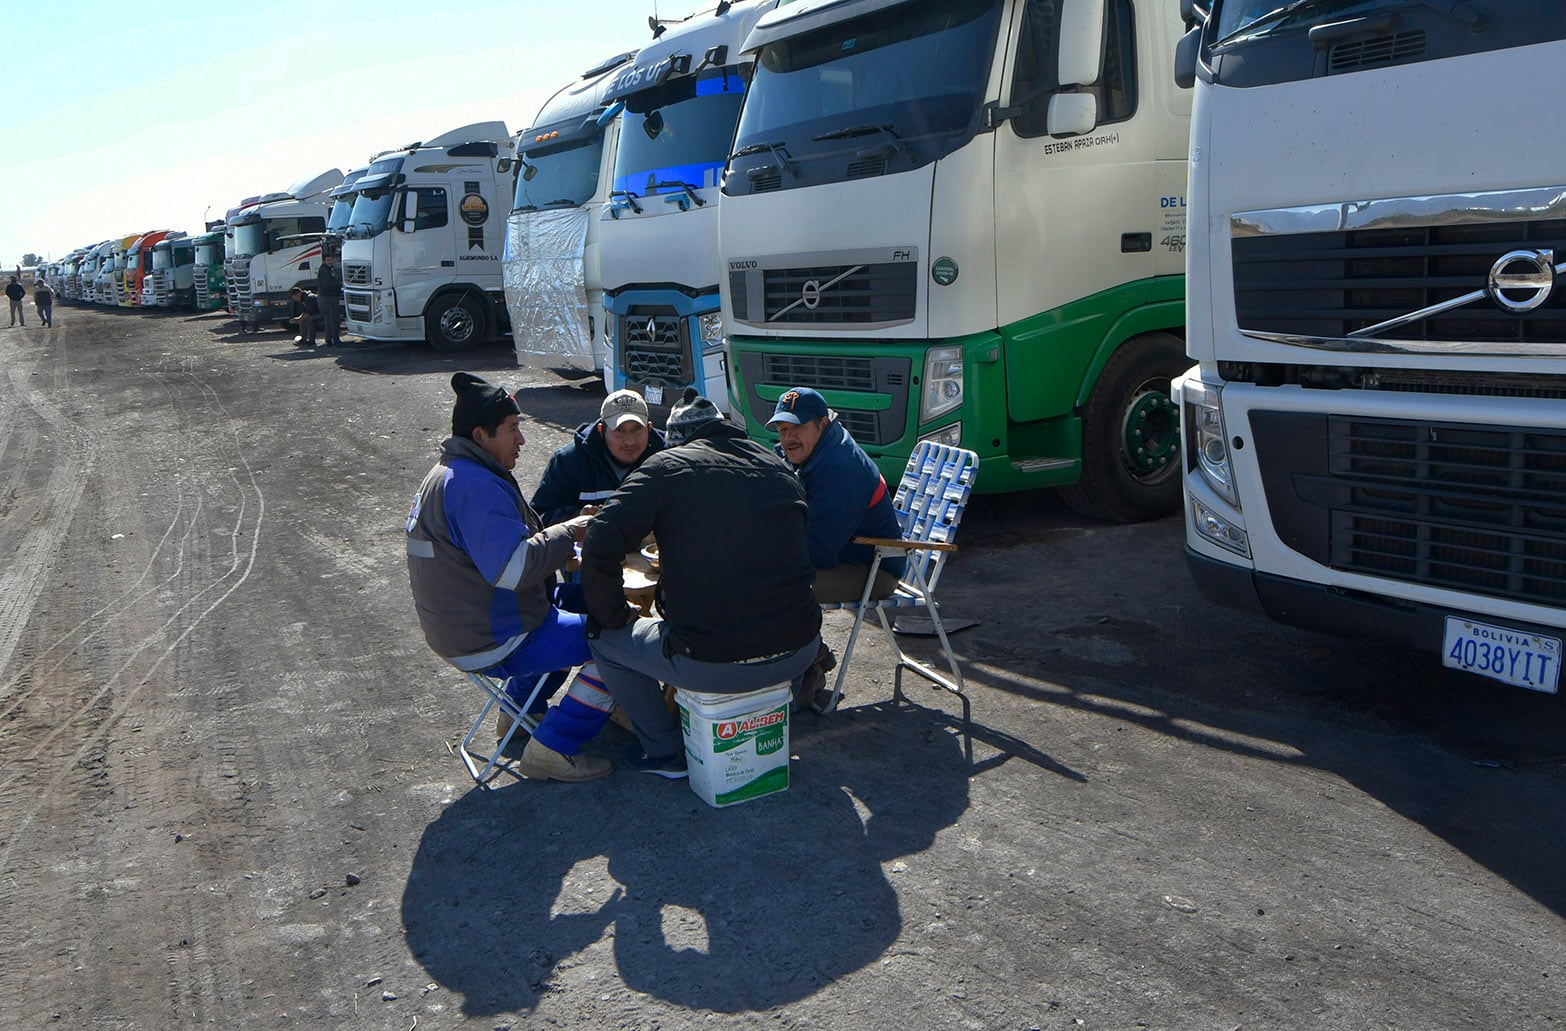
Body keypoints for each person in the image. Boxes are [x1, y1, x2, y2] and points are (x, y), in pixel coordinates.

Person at [581, 388, 823, 777]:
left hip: (711, 660)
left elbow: (598, 540)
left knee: (602, 639)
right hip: (799, 650)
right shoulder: (777, 465)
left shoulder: (665, 467)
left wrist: (613, 613)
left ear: (676, 440)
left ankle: (662, 750)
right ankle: (775, 707)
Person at [407, 372, 617, 782]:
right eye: (512, 429)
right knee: (619, 641)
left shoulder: (452, 473)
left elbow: (498, 558)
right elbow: (513, 569)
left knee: (586, 601)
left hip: (465, 627)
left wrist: (558, 550)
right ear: (481, 433)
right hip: (492, 637)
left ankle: (520, 713)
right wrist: (568, 532)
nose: (521, 440)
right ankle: (554, 747)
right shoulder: (473, 485)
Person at [770, 386, 907, 705]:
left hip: (874, 569)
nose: (788, 438)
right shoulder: (816, 450)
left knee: (773, 586)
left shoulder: (839, 469)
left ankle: (807, 665)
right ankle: (809, 654)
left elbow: (815, 553)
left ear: (823, 424)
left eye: (798, 428)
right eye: (782, 429)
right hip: (847, 555)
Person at [531, 388, 667, 525]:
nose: (630, 441)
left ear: (649, 428)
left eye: (637, 429)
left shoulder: (668, 458)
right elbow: (538, 519)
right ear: (601, 431)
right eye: (620, 430)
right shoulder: (568, 461)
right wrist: (577, 517)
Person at [315, 253, 343, 347]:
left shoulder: (329, 270)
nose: (330, 262)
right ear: (324, 261)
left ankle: (329, 340)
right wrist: (340, 285)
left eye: (331, 260)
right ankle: (335, 340)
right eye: (328, 260)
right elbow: (329, 285)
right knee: (333, 320)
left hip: (328, 297)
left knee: (329, 320)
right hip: (328, 298)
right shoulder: (324, 271)